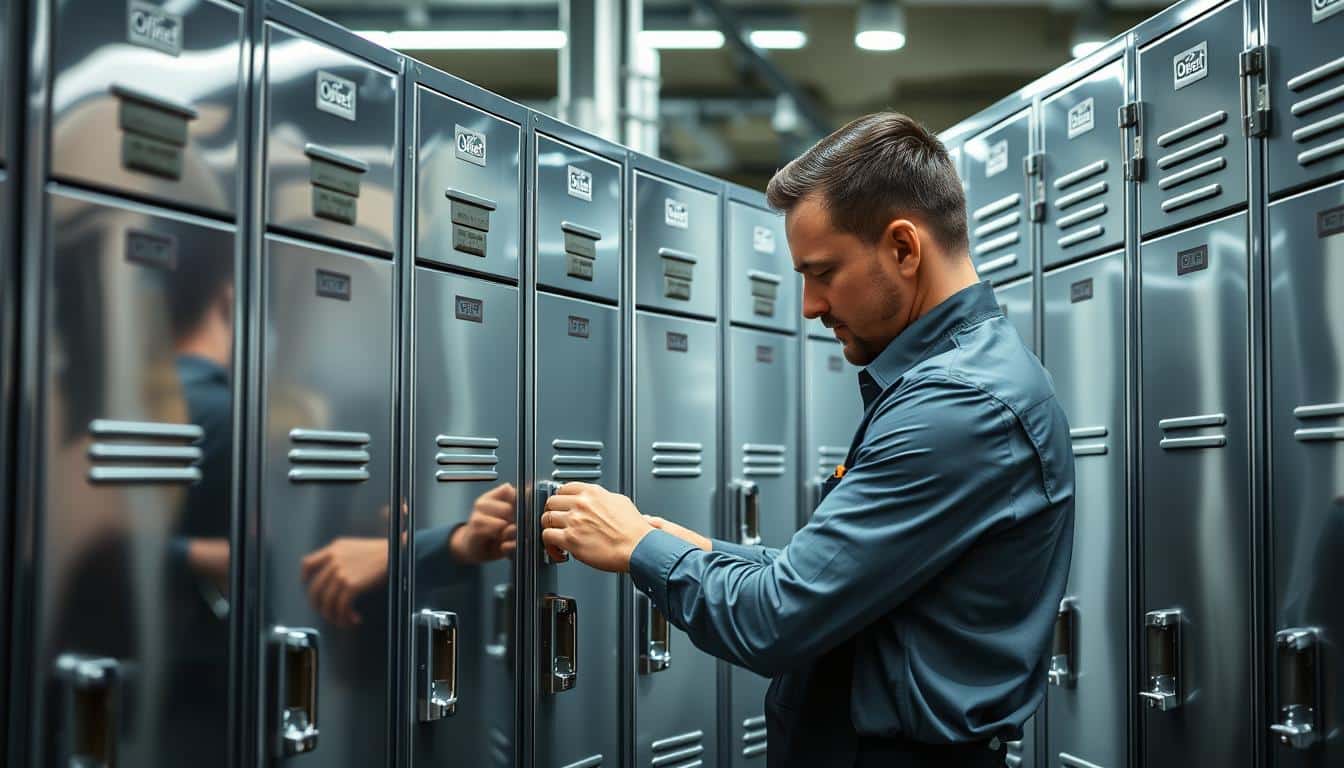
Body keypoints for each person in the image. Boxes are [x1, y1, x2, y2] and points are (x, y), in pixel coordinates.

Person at [540, 112, 1075, 767]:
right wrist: (708, 550)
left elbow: (776, 621)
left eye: (822, 273)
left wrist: (639, 550)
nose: (809, 307)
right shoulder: (954, 383)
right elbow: (843, 585)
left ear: (904, 249)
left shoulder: (956, 407)